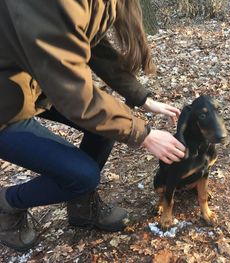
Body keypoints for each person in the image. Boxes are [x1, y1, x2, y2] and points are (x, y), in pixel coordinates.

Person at [0, 0, 186, 252]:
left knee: (107, 126)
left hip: (35, 82)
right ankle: (8, 204)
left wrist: (142, 99)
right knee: (84, 175)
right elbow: (74, 94)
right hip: (7, 106)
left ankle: (81, 206)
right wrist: (145, 135)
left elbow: (93, 44)